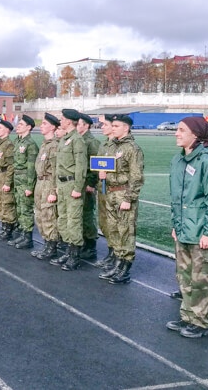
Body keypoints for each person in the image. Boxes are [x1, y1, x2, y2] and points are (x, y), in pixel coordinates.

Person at [166, 116, 208, 339]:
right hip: (183, 230)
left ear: (195, 135)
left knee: (201, 279)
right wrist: (176, 224)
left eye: (181, 130)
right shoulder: (178, 160)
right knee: (184, 276)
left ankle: (202, 321)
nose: (176, 133)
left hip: (200, 231)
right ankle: (188, 314)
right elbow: (176, 198)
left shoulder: (207, 162)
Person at [96, 114, 145, 284]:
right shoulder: (112, 147)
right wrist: (103, 175)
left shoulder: (132, 149)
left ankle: (125, 267)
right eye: (113, 125)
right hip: (110, 193)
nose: (113, 128)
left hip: (123, 194)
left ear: (126, 128)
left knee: (125, 231)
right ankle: (117, 261)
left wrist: (129, 198)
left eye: (116, 126)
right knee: (114, 229)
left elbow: (136, 176)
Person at [50, 109, 88, 271]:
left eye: (63, 118)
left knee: (74, 221)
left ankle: (75, 255)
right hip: (63, 184)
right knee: (63, 219)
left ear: (69, 121)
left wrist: (78, 187)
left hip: (72, 185)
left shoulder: (77, 140)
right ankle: (68, 250)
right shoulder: (65, 139)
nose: (61, 120)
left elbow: (81, 165)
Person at [31, 113, 61, 260]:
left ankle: (51, 246)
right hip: (40, 182)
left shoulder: (54, 146)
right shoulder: (45, 144)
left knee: (48, 215)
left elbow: (56, 170)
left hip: (48, 182)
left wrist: (53, 191)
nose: (41, 126)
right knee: (39, 214)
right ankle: (46, 243)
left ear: (53, 127)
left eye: (44, 124)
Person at [8, 114, 38, 249]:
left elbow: (32, 167)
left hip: (25, 180)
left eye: (21, 124)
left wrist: (29, 186)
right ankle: (21, 233)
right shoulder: (17, 142)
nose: (17, 126)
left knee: (26, 209)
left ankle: (28, 237)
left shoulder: (30, 144)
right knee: (19, 208)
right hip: (17, 178)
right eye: (18, 124)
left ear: (28, 127)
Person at [77, 113, 100, 261]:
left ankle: (91, 246)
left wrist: (91, 183)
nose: (76, 126)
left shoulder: (91, 142)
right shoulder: (80, 140)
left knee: (87, 215)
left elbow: (95, 165)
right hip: (80, 182)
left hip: (87, 184)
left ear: (86, 125)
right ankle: (83, 243)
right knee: (80, 214)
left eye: (79, 124)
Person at [0, 120, 17, 240]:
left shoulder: (8, 145)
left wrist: (7, 182)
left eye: (0, 128)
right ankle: (3, 228)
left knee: (7, 204)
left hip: (5, 175)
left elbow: (11, 165)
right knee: (0, 203)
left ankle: (8, 230)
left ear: (7, 130)